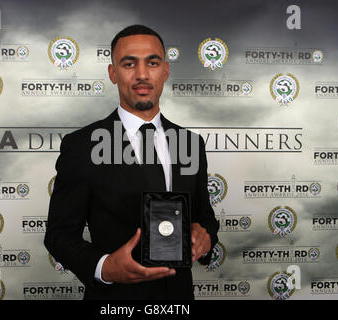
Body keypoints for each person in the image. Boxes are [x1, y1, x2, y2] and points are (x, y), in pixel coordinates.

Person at [44, 24, 219, 300]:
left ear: (165, 71)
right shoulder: (82, 145)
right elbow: (59, 235)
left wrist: (206, 237)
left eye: (152, 62)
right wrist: (105, 267)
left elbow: (204, 217)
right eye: (129, 63)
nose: (141, 74)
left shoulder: (190, 143)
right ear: (113, 73)